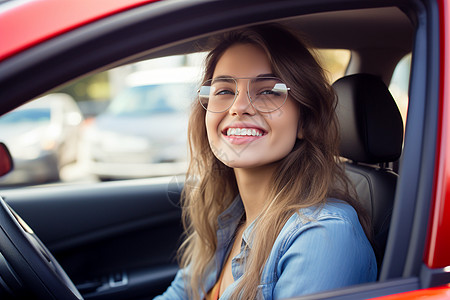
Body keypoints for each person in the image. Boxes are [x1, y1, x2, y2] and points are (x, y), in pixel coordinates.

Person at [154, 24, 377, 300]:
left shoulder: (324, 235)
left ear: (304, 121)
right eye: (223, 91)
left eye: (268, 91)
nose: (239, 107)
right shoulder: (227, 218)